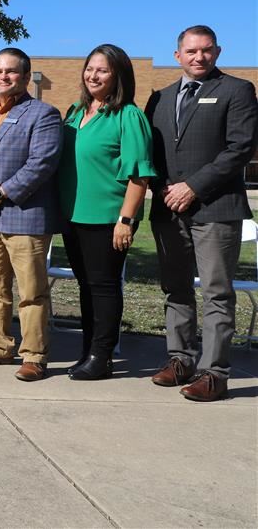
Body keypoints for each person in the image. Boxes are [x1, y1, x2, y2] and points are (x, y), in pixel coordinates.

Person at [145, 25, 258, 401]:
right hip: (167, 209)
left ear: (218, 52)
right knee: (176, 288)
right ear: (177, 55)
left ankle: (214, 373)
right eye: (191, 51)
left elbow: (240, 148)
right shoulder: (158, 98)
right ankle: (180, 360)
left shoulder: (237, 91)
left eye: (206, 50)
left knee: (216, 293)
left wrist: (193, 186)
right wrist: (160, 186)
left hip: (215, 207)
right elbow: (152, 153)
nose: (199, 57)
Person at [57, 44, 155, 380]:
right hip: (74, 216)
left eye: (102, 70)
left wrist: (125, 220)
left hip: (108, 219)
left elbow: (139, 176)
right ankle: (89, 350)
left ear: (118, 76)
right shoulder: (75, 112)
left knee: (103, 286)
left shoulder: (128, 116)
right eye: (90, 68)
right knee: (86, 286)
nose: (93, 75)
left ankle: (102, 357)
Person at [0, 47, 61, 382]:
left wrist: (0, 193)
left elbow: (42, 164)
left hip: (25, 216)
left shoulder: (44, 114)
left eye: (11, 71)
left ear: (25, 75)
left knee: (31, 291)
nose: (3, 77)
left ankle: (34, 355)